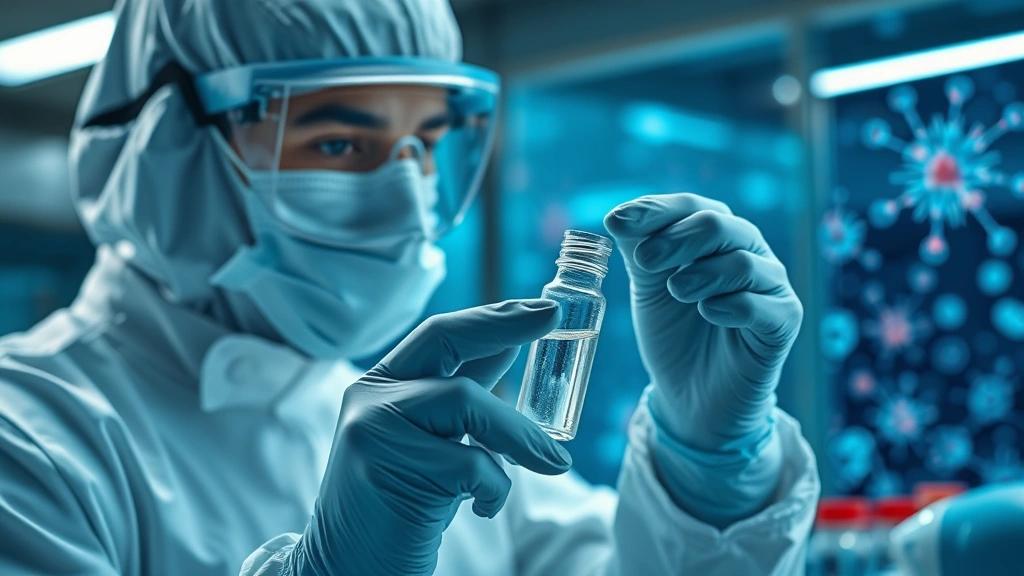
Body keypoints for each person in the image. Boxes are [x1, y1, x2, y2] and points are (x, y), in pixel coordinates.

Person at [0, 0, 819, 574]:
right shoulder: (32, 440)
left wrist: (706, 464)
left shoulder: (431, 423)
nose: (408, 197)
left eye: (426, 145)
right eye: (335, 144)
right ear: (171, 151)